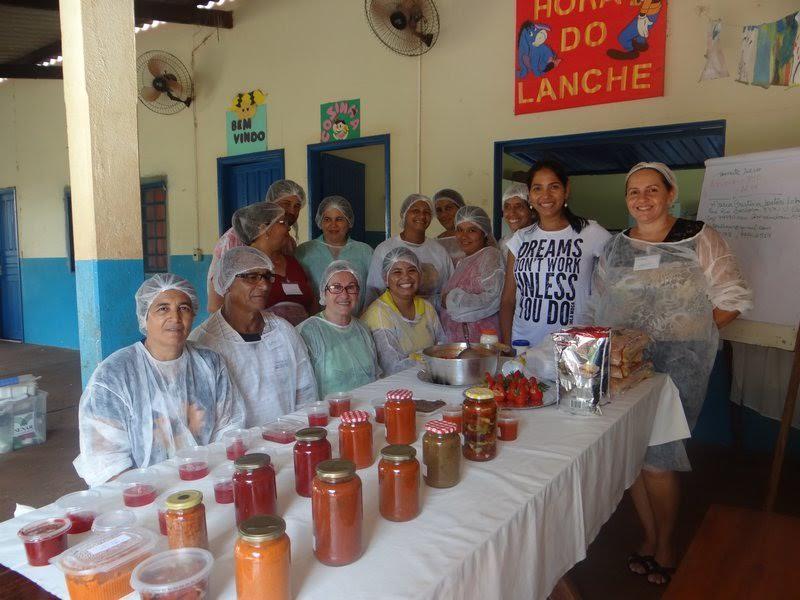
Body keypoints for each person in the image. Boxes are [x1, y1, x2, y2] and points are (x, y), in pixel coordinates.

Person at [591, 162, 752, 586]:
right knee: (632, 456)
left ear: (669, 194)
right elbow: (601, 302)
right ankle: (648, 534)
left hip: (679, 365)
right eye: (633, 192)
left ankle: (666, 543)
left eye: (652, 191)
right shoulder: (617, 246)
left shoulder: (698, 236)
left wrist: (693, 334)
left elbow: (733, 296)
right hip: (626, 365)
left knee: (659, 459)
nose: (642, 200)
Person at [73, 274, 245, 487]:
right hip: (141, 497)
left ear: (193, 315)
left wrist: (213, 478)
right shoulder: (114, 375)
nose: (175, 317)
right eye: (163, 308)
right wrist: (148, 496)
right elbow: (105, 461)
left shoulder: (210, 364)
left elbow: (229, 427)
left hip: (207, 482)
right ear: (145, 317)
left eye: (184, 308)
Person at [189, 246, 318, 426]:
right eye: (251, 277)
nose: (264, 285)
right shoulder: (204, 343)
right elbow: (202, 418)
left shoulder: (283, 331)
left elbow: (305, 393)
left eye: (267, 276)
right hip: (235, 450)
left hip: (288, 443)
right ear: (226, 283)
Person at [499, 159, 611, 347]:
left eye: (554, 187)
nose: (546, 195)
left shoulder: (591, 232)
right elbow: (508, 299)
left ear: (566, 190)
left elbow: (616, 283)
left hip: (573, 348)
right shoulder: (520, 238)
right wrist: (507, 345)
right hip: (524, 345)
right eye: (537, 188)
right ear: (530, 195)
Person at [206, 179, 307, 312]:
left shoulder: (288, 243)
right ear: (271, 204)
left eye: (297, 206)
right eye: (286, 204)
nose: (292, 211)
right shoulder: (234, 238)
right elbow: (219, 294)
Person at [297, 261, 381, 397]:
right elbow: (302, 391)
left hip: (365, 410)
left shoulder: (362, 329)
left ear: (358, 293)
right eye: (336, 287)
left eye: (351, 287)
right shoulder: (308, 332)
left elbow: (376, 375)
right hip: (330, 414)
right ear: (324, 292)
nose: (344, 295)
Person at [363, 247, 446, 376]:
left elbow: (442, 348)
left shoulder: (427, 308)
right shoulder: (378, 313)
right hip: (395, 389)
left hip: (429, 380)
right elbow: (391, 366)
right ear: (386, 278)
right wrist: (431, 363)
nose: (406, 277)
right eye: (397, 272)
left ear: (420, 275)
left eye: (412, 270)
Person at [366, 193, 453, 309]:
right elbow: (373, 291)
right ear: (404, 214)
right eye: (415, 211)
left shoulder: (439, 251)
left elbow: (449, 288)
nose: (422, 216)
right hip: (393, 319)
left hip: (432, 318)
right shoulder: (385, 249)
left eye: (427, 212)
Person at [295, 195, 373, 312]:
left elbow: (373, 290)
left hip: (356, 322)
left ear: (349, 222)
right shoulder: (304, 251)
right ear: (320, 222)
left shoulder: (365, 251)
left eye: (339, 219)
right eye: (327, 219)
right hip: (315, 323)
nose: (333, 225)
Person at [439, 206, 505, 343]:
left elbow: (493, 298)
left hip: (480, 341)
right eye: (460, 230)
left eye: (472, 230)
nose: (464, 236)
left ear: (484, 233)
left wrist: (451, 300)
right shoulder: (464, 261)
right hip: (460, 343)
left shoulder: (489, 256)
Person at [498, 182, 535, 258]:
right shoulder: (504, 243)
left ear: (532, 211)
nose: (512, 213)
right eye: (507, 207)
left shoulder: (541, 240)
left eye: (519, 206)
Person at [433, 188, 467, 264]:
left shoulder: (477, 237)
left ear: (460, 208)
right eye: (439, 210)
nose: (444, 214)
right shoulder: (435, 243)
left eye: (448, 208)